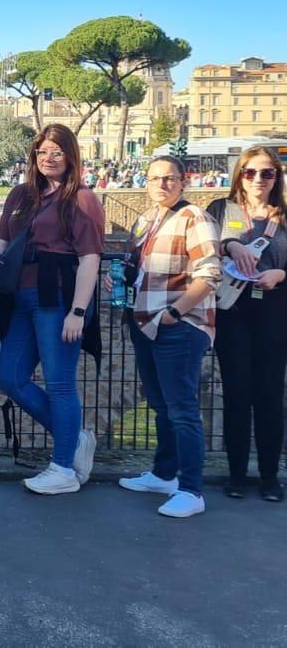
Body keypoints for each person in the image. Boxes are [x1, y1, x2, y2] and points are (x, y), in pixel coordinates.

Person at [0, 123, 104, 496]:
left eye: (57, 151)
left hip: (58, 298)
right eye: (42, 151)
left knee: (60, 382)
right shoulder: (21, 195)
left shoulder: (81, 199)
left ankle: (63, 467)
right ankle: (75, 438)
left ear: (71, 157)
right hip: (20, 298)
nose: (48, 158)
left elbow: (90, 258)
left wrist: (78, 311)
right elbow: (2, 245)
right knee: (9, 376)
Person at [114, 157, 221, 518]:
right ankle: (164, 474)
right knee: (161, 405)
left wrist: (175, 313)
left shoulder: (195, 218)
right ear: (146, 183)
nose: (162, 184)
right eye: (155, 178)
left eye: (170, 178)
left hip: (179, 325)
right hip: (145, 321)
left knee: (182, 409)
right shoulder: (145, 220)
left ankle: (191, 489)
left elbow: (209, 274)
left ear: (183, 182)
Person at [207, 148, 287, 502]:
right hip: (233, 310)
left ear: (276, 178)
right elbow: (203, 246)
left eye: (267, 173)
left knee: (270, 395)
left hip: (275, 309)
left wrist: (280, 273)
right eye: (250, 172)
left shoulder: (284, 215)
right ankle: (236, 473)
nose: (258, 179)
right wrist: (230, 244)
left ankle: (270, 477)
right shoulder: (221, 209)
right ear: (239, 174)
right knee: (236, 393)